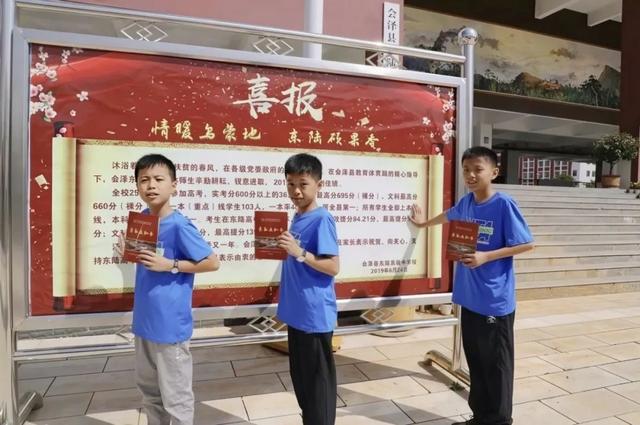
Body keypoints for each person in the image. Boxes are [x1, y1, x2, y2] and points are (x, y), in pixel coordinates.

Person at [410, 146, 534, 425]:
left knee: (496, 366)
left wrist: (485, 256)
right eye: (466, 169)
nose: (471, 175)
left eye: (478, 169)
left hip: (493, 301)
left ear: (494, 172)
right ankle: (480, 417)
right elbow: (448, 215)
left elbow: (527, 244)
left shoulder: (503, 204)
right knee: (477, 362)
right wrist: (423, 224)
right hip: (469, 298)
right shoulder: (467, 202)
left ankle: (499, 420)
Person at [120, 154, 220, 425]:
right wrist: (128, 252)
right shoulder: (142, 220)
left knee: (176, 397)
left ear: (173, 186)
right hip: (144, 322)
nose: (151, 185)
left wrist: (171, 265)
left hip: (169, 326)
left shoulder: (179, 225)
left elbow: (212, 262)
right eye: (144, 180)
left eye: (158, 179)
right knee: (150, 392)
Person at [276, 153, 340, 425]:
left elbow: (333, 266)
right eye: (291, 184)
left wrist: (299, 252)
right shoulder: (298, 216)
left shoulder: (322, 219)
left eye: (303, 184)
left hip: (314, 315)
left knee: (318, 387)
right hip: (297, 313)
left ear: (319, 185)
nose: (296, 191)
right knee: (303, 383)